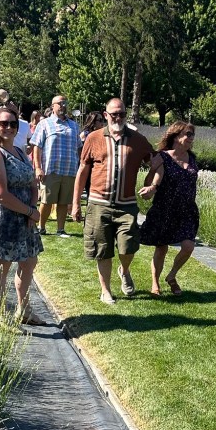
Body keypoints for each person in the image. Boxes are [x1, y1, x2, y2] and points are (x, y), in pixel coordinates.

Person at [71, 98, 153, 304]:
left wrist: (153, 185)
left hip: (127, 206)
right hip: (99, 204)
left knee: (128, 247)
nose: (118, 117)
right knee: (102, 248)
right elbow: (82, 171)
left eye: (121, 114)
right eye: (113, 114)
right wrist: (75, 204)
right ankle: (105, 290)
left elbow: (157, 162)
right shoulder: (93, 138)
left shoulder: (138, 139)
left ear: (126, 115)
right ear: (105, 115)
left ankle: (124, 270)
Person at [0, 106, 46, 325]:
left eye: (13, 124)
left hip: (24, 216)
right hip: (3, 218)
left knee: (28, 262)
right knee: (1, 268)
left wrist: (32, 208)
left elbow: (32, 184)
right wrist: (30, 212)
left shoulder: (20, 152)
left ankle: (24, 310)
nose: (8, 127)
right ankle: (1, 317)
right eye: (3, 123)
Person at [138, 121, 199, 296]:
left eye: (192, 135)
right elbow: (151, 181)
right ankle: (155, 284)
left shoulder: (192, 158)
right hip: (165, 209)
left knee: (188, 246)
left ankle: (171, 276)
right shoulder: (163, 157)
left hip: (187, 210)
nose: (191, 138)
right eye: (187, 134)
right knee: (162, 247)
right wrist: (152, 187)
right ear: (176, 136)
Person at [30, 95, 81, 237]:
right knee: (47, 200)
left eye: (65, 103)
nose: (63, 106)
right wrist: (38, 167)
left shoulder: (74, 126)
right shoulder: (45, 124)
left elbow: (79, 148)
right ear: (53, 106)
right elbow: (37, 147)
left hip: (70, 169)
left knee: (64, 201)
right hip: (51, 169)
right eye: (60, 103)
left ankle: (60, 229)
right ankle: (41, 227)